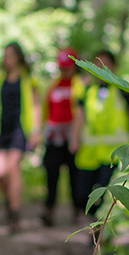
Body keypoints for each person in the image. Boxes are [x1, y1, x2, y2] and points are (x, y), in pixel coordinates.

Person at [70, 49, 129, 245]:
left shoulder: (123, 90)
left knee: (106, 193)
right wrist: (74, 138)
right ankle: (96, 228)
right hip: (89, 154)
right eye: (98, 64)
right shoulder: (87, 92)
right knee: (84, 194)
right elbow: (80, 117)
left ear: (114, 67)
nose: (102, 68)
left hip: (115, 155)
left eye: (106, 63)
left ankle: (102, 234)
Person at [0, 41, 42, 233]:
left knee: (13, 167)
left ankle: (14, 212)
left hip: (20, 128)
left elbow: (36, 105)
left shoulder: (28, 79)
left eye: (11, 55)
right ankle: (10, 199)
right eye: (5, 55)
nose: (7, 59)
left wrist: (37, 131)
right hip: (2, 129)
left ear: (19, 57)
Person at [39, 47, 86, 228]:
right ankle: (48, 211)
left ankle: (77, 211)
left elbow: (81, 112)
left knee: (75, 176)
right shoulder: (53, 85)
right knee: (51, 174)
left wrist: (77, 136)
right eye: (62, 67)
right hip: (54, 137)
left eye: (67, 67)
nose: (64, 70)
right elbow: (46, 109)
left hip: (72, 137)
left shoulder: (80, 84)